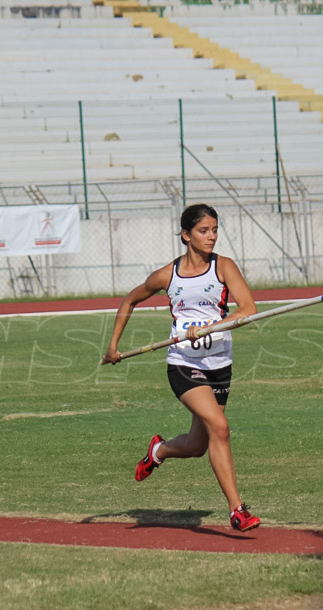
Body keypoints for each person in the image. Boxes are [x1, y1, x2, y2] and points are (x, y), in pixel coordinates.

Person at [102, 204, 261, 532]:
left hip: (220, 364)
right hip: (184, 363)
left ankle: (158, 450)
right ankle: (237, 510)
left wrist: (214, 326)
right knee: (220, 426)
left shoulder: (224, 267)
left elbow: (247, 309)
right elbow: (129, 300)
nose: (212, 236)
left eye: (215, 229)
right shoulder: (167, 275)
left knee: (197, 445)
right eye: (204, 231)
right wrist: (113, 346)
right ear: (186, 235)